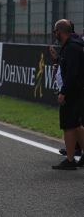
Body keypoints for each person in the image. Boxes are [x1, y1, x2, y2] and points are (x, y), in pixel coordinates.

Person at [51, 19, 84, 170]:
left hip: (72, 92)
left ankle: (70, 160)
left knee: (69, 126)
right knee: (76, 126)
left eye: (55, 31)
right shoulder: (73, 45)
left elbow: (72, 72)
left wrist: (63, 92)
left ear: (60, 31)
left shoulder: (71, 48)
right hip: (76, 91)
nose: (54, 34)